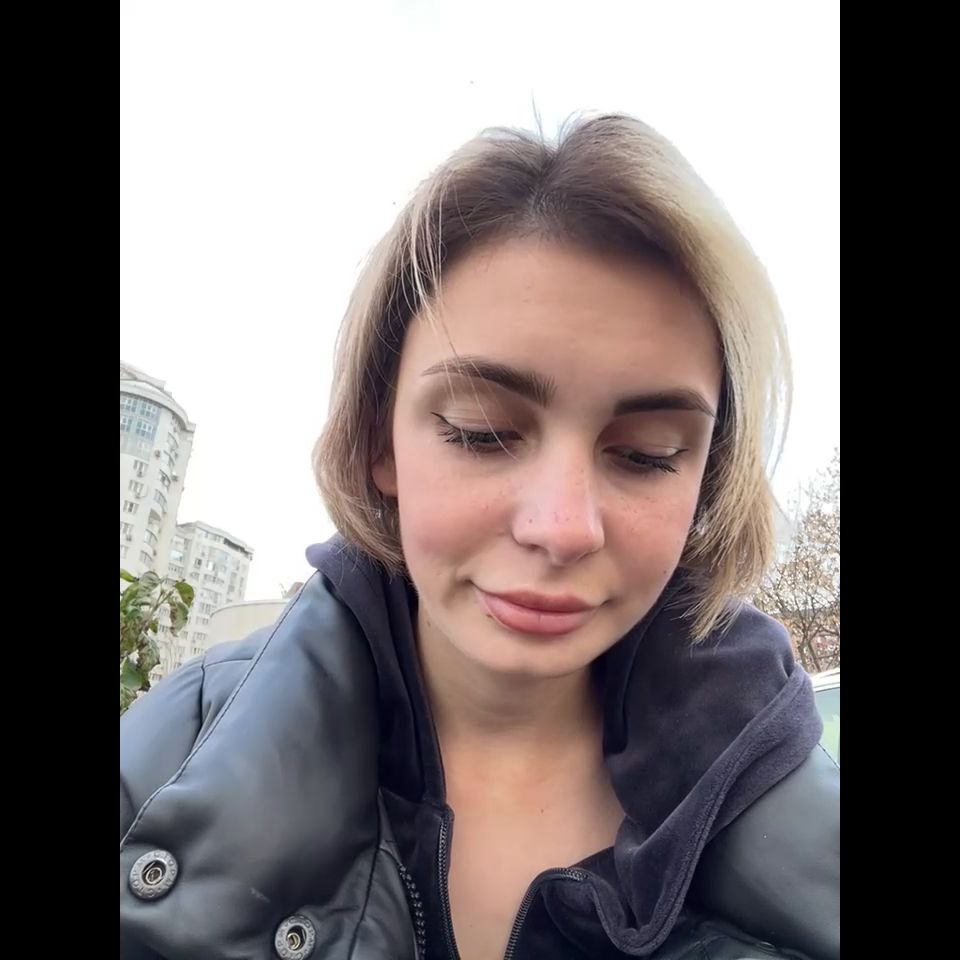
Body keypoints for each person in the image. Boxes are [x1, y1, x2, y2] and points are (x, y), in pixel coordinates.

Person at [120, 114, 839, 960]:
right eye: (481, 432)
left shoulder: (803, 832)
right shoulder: (166, 769)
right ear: (379, 441)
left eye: (648, 454)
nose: (561, 528)